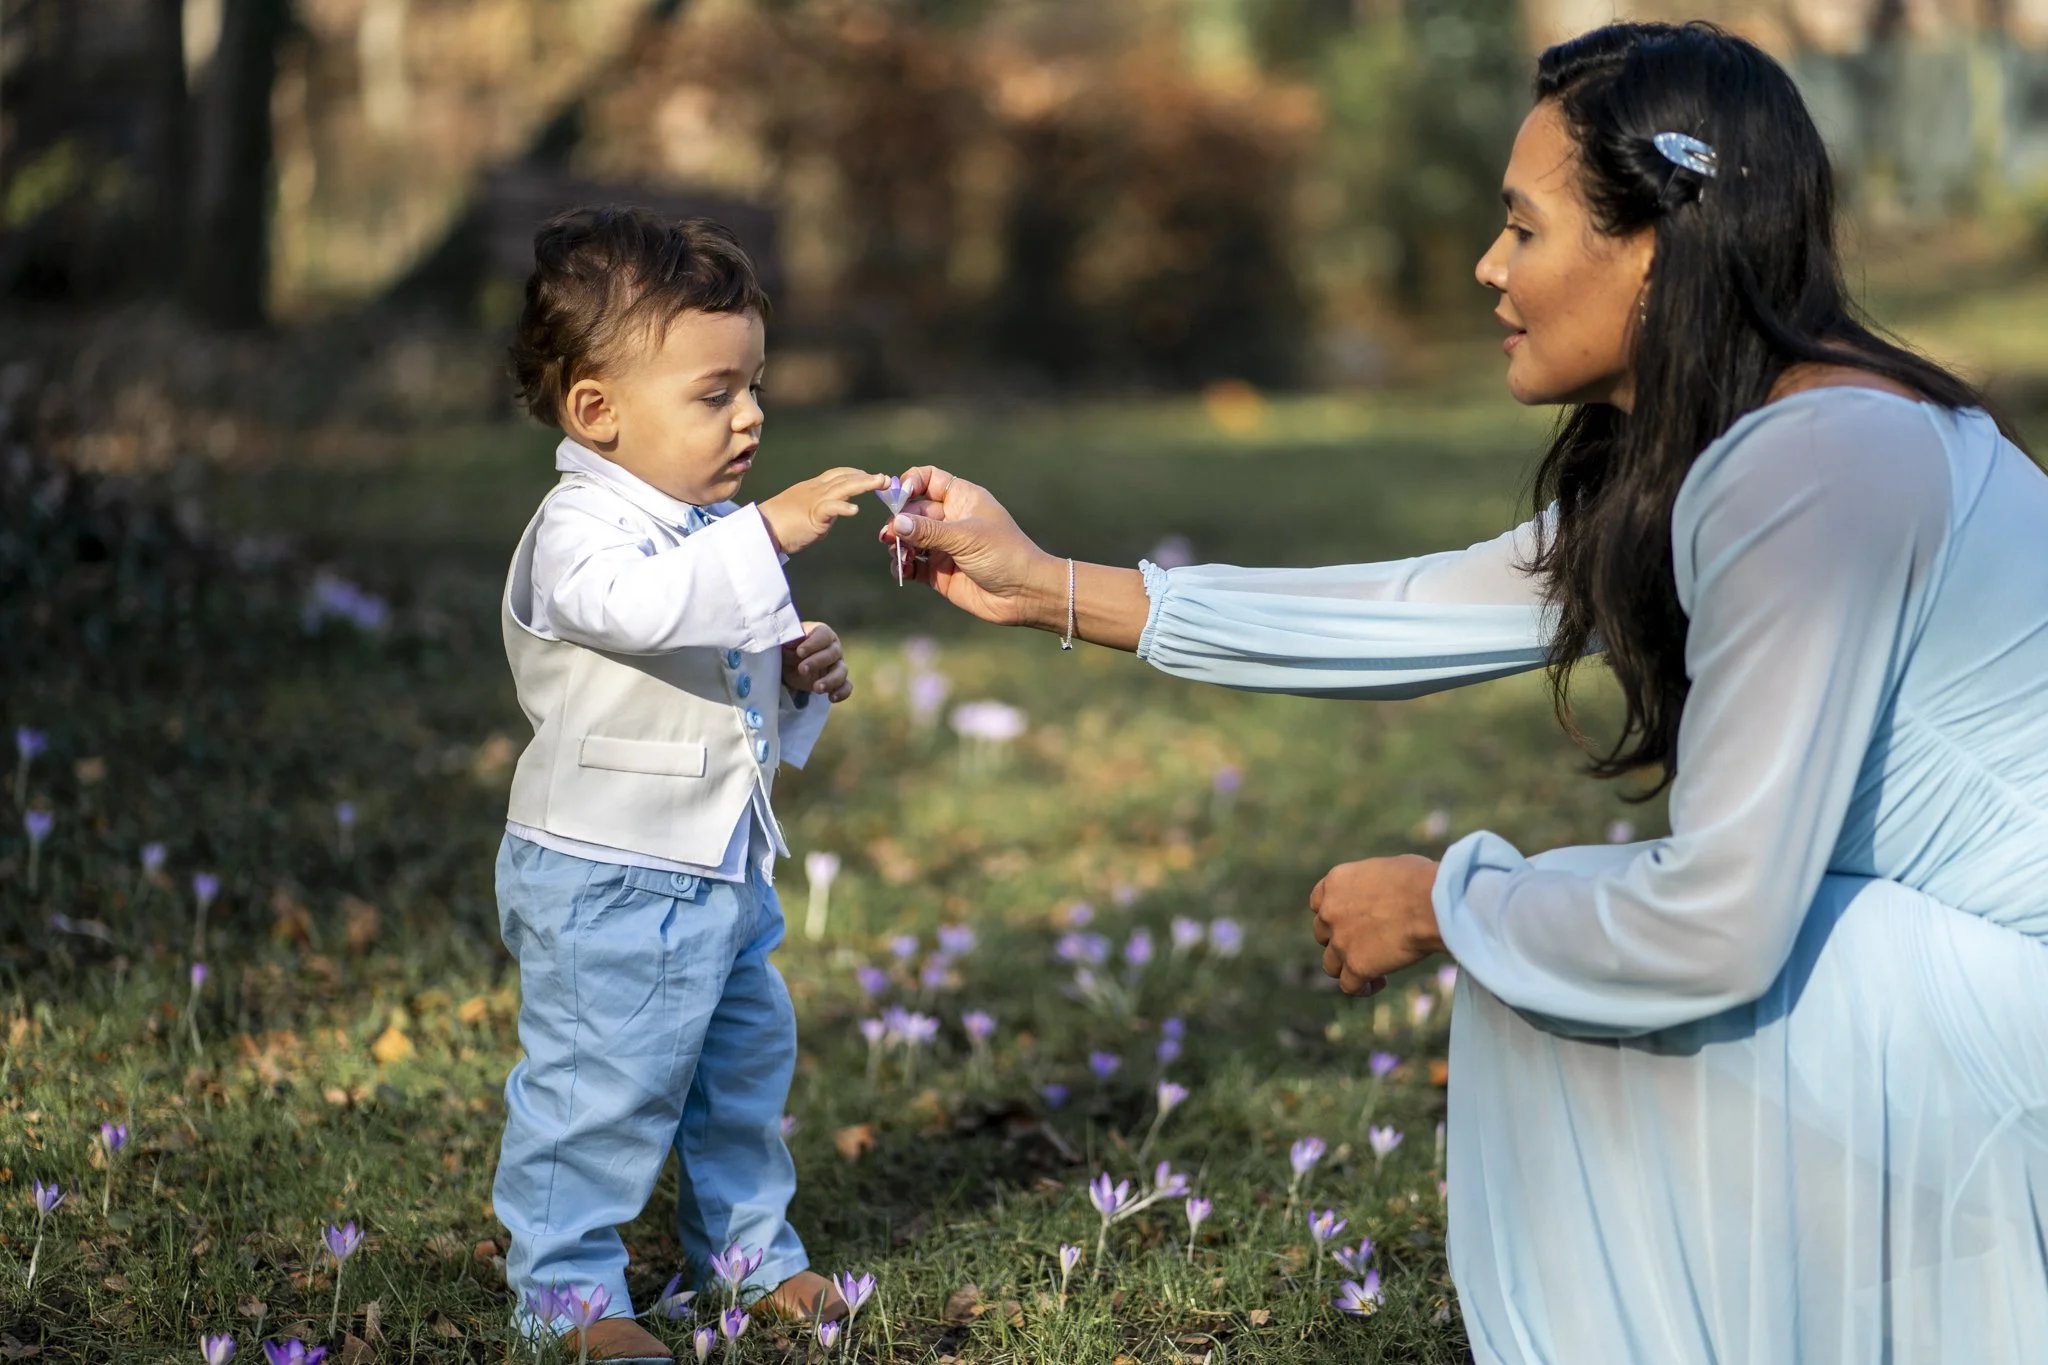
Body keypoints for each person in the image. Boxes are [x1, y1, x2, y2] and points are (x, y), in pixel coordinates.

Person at [880, 23, 2048, 1363]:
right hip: (1976, 981)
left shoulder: (1823, 463)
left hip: (2016, 1003)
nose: (1490, 268)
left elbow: (1720, 925)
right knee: (1556, 934)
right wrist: (1045, 587)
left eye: (1524, 229)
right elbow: (1424, 606)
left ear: (1658, 247)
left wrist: (1449, 898)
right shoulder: (1762, 436)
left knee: (1543, 952)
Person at [493, 206, 885, 1360]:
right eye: (714, 394)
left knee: (739, 1077)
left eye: (753, 387)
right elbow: (632, 610)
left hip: (721, 870)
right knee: (596, 1091)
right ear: (595, 412)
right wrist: (765, 535)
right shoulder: (579, 530)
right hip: (608, 877)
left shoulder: (702, 523)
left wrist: (794, 669)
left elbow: (714, 655)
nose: (751, 414)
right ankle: (566, 1295)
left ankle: (748, 1256)